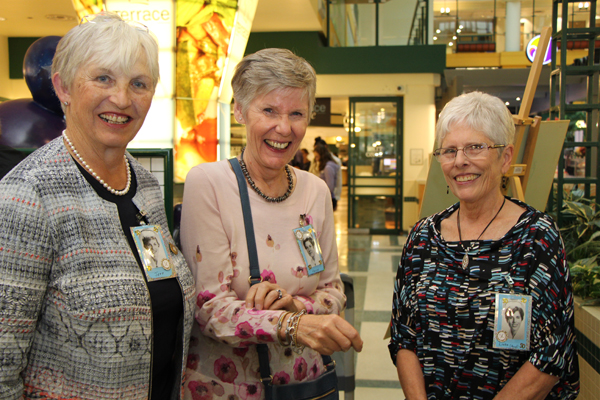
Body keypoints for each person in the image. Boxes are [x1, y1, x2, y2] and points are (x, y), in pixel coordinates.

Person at [0, 13, 195, 400]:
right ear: (63, 87)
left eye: (138, 83)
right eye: (103, 78)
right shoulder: (27, 196)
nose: (122, 99)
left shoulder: (148, 188)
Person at [181, 48, 362, 399]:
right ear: (239, 110)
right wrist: (292, 324)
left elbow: (333, 291)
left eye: (297, 113)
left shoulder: (315, 191)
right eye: (269, 110)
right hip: (229, 388)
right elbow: (210, 309)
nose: (284, 127)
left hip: (306, 385)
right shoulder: (210, 184)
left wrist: (297, 306)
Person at [388, 91, 579, 399]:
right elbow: (404, 336)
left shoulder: (536, 238)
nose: (460, 161)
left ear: (505, 157)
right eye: (449, 151)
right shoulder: (423, 237)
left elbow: (551, 355)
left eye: (475, 147)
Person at [314, 143, 341, 211]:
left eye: (317, 156)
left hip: (328, 199)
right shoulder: (329, 165)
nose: (316, 159)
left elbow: (330, 186)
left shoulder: (328, 167)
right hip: (328, 197)